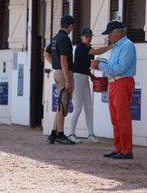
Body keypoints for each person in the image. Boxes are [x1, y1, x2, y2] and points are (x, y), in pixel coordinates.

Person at [91, 20, 136, 159]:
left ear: (118, 32)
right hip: (115, 83)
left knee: (122, 118)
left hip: (122, 82)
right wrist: (102, 63)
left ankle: (126, 150)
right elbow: (114, 66)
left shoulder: (127, 46)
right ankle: (119, 148)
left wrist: (100, 66)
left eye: (110, 33)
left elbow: (120, 69)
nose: (108, 36)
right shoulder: (117, 46)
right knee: (115, 119)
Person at [68, 27, 112, 144]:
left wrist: (91, 76)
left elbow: (86, 65)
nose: (89, 38)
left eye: (90, 36)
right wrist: (110, 46)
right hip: (77, 78)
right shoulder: (81, 47)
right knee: (77, 107)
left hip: (84, 78)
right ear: (82, 37)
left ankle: (91, 134)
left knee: (88, 107)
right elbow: (96, 52)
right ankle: (71, 133)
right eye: (86, 36)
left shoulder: (86, 48)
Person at [43, 14, 75, 145]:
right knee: (63, 104)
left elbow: (46, 53)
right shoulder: (65, 39)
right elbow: (63, 59)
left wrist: (54, 65)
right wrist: (67, 79)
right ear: (70, 26)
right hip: (63, 73)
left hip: (57, 72)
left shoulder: (56, 38)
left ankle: (53, 134)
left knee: (61, 103)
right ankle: (60, 134)